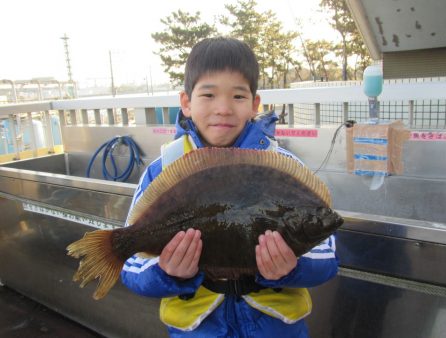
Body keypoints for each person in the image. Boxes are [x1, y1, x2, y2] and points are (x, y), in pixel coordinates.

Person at [121, 37, 338, 338]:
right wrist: (166, 272)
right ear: (186, 102)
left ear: (254, 104)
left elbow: (327, 261)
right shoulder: (162, 172)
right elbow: (131, 268)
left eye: (238, 97)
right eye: (208, 95)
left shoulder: (282, 168)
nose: (223, 109)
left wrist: (291, 268)